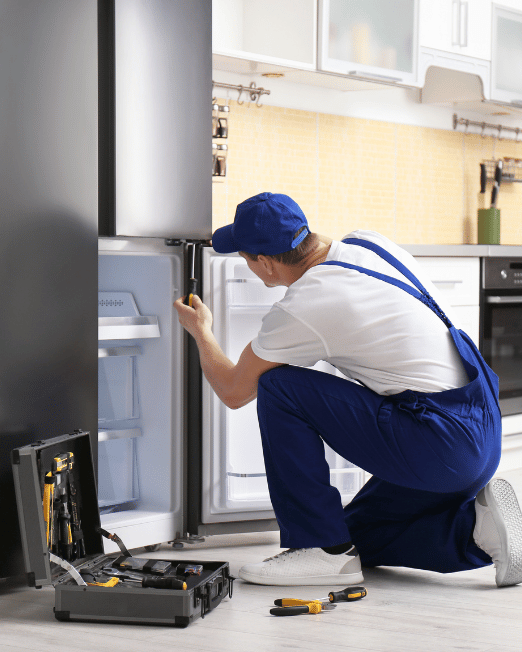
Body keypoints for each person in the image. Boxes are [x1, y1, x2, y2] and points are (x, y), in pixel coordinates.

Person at [174, 191, 522, 588]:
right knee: (357, 538)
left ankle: (318, 549)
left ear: (266, 263)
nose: (249, 268)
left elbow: (234, 391)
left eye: (246, 258)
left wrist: (202, 332)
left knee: (278, 386)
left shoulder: (305, 305)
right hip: (481, 428)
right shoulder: (368, 242)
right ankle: (480, 531)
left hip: (441, 443)